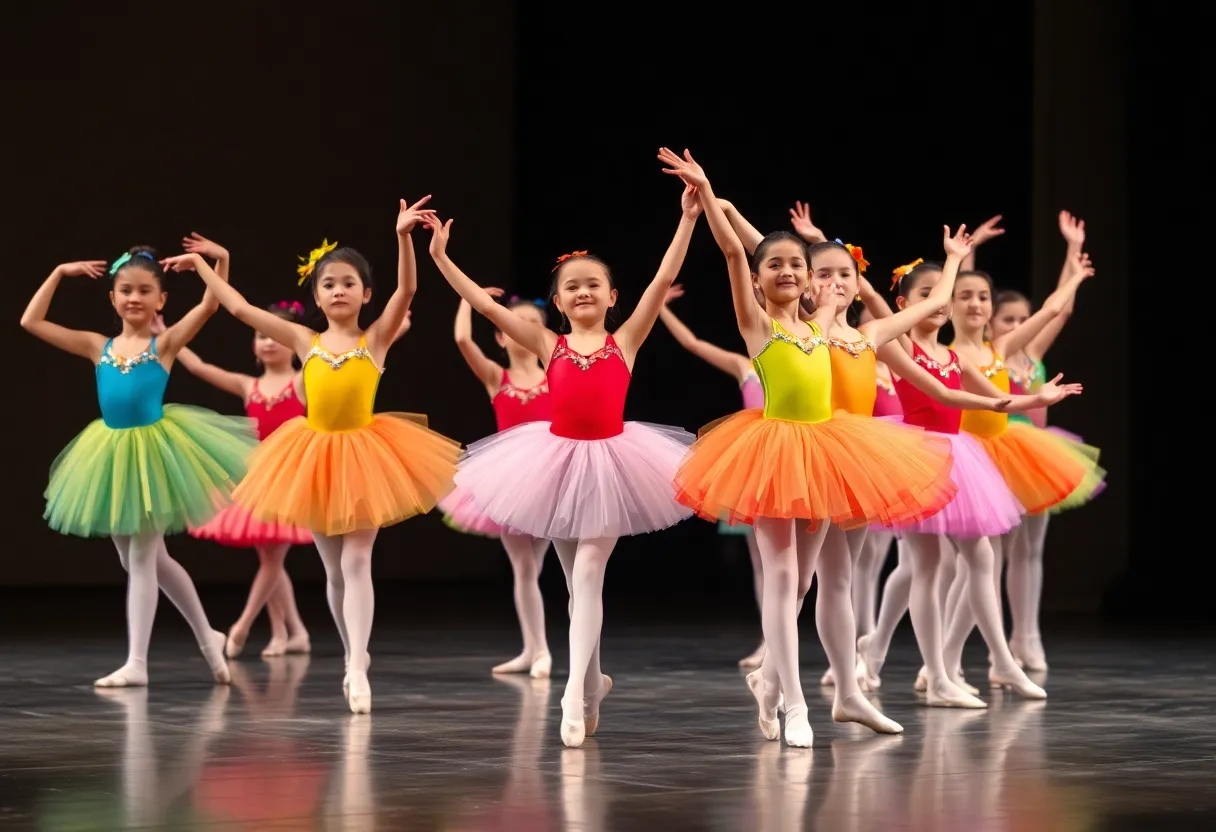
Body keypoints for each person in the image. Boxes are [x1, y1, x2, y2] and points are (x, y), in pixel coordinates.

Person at [425, 172, 699, 748]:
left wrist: (689, 218)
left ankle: (573, 695)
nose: (582, 292)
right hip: (554, 464)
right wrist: (441, 258)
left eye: (593, 284)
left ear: (611, 296)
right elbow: (481, 304)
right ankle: (593, 680)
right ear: (557, 301)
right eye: (571, 286)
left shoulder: (625, 341)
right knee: (575, 588)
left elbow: (664, 277)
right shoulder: (547, 345)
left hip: (615, 462)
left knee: (590, 576)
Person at [169, 198, 462, 714]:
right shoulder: (305, 341)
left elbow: (409, 289)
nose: (339, 290)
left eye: (349, 282)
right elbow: (239, 309)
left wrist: (402, 237)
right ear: (318, 297)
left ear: (366, 294)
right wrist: (207, 267)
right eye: (329, 284)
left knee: (358, 559)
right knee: (331, 569)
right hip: (312, 455)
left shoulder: (375, 339)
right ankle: (350, 651)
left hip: (369, 454)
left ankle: (357, 665)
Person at [22, 245, 256, 687]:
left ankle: (137, 663)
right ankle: (208, 636)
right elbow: (30, 322)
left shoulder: (164, 344)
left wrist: (220, 259)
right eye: (125, 290)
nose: (134, 298)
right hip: (109, 457)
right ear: (112, 297)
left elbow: (211, 303)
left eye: (145, 290)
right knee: (140, 561)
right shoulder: (97, 346)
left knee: (145, 560)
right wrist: (57, 269)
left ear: (161, 300)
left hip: (154, 455)